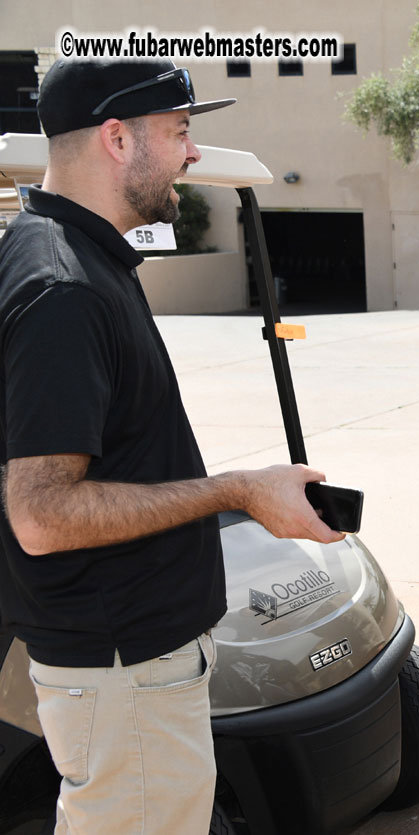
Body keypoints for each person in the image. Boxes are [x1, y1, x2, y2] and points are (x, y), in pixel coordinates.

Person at [0, 58, 343, 835]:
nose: (192, 153)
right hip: (122, 672)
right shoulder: (65, 288)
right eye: (180, 131)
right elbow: (42, 512)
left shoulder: (70, 254)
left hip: (126, 669)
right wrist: (237, 491)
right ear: (117, 139)